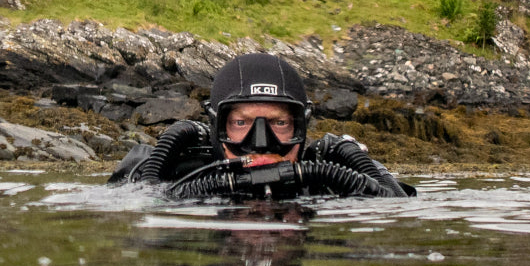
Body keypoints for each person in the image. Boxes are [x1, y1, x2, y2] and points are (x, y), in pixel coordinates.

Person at [110, 53, 416, 200]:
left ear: (303, 125)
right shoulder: (180, 174)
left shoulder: (335, 176)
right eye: (240, 122)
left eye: (279, 123)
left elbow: (398, 207)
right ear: (217, 125)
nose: (260, 143)